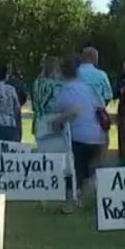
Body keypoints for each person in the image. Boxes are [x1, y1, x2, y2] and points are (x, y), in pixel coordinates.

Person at [49, 55, 107, 214]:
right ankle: (86, 200)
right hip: (96, 135)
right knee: (88, 171)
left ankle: (71, 202)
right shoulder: (86, 88)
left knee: (73, 171)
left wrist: (56, 121)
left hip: (79, 136)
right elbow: (100, 105)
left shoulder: (66, 90)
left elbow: (62, 110)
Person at [77, 46, 112, 144]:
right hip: (97, 117)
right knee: (100, 145)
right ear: (94, 58)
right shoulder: (101, 75)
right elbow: (108, 96)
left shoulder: (74, 74)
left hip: (77, 117)